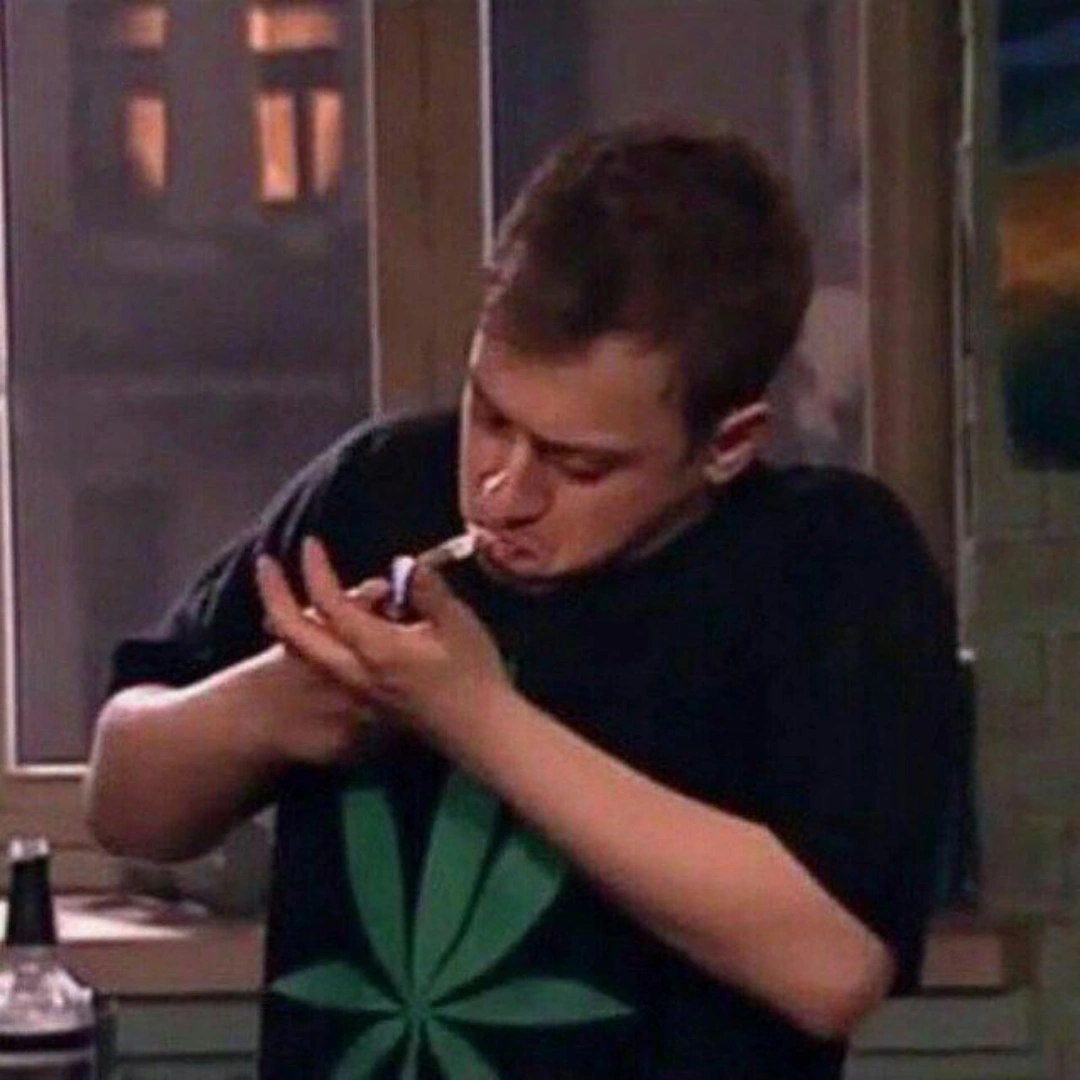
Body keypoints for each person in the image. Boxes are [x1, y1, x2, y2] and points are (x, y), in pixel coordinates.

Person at [86, 123, 963, 1079]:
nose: (504, 492)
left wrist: (471, 713)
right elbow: (125, 803)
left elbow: (832, 969)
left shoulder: (825, 562)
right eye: (491, 415)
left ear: (727, 444)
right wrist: (266, 707)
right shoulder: (378, 487)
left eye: (579, 465)